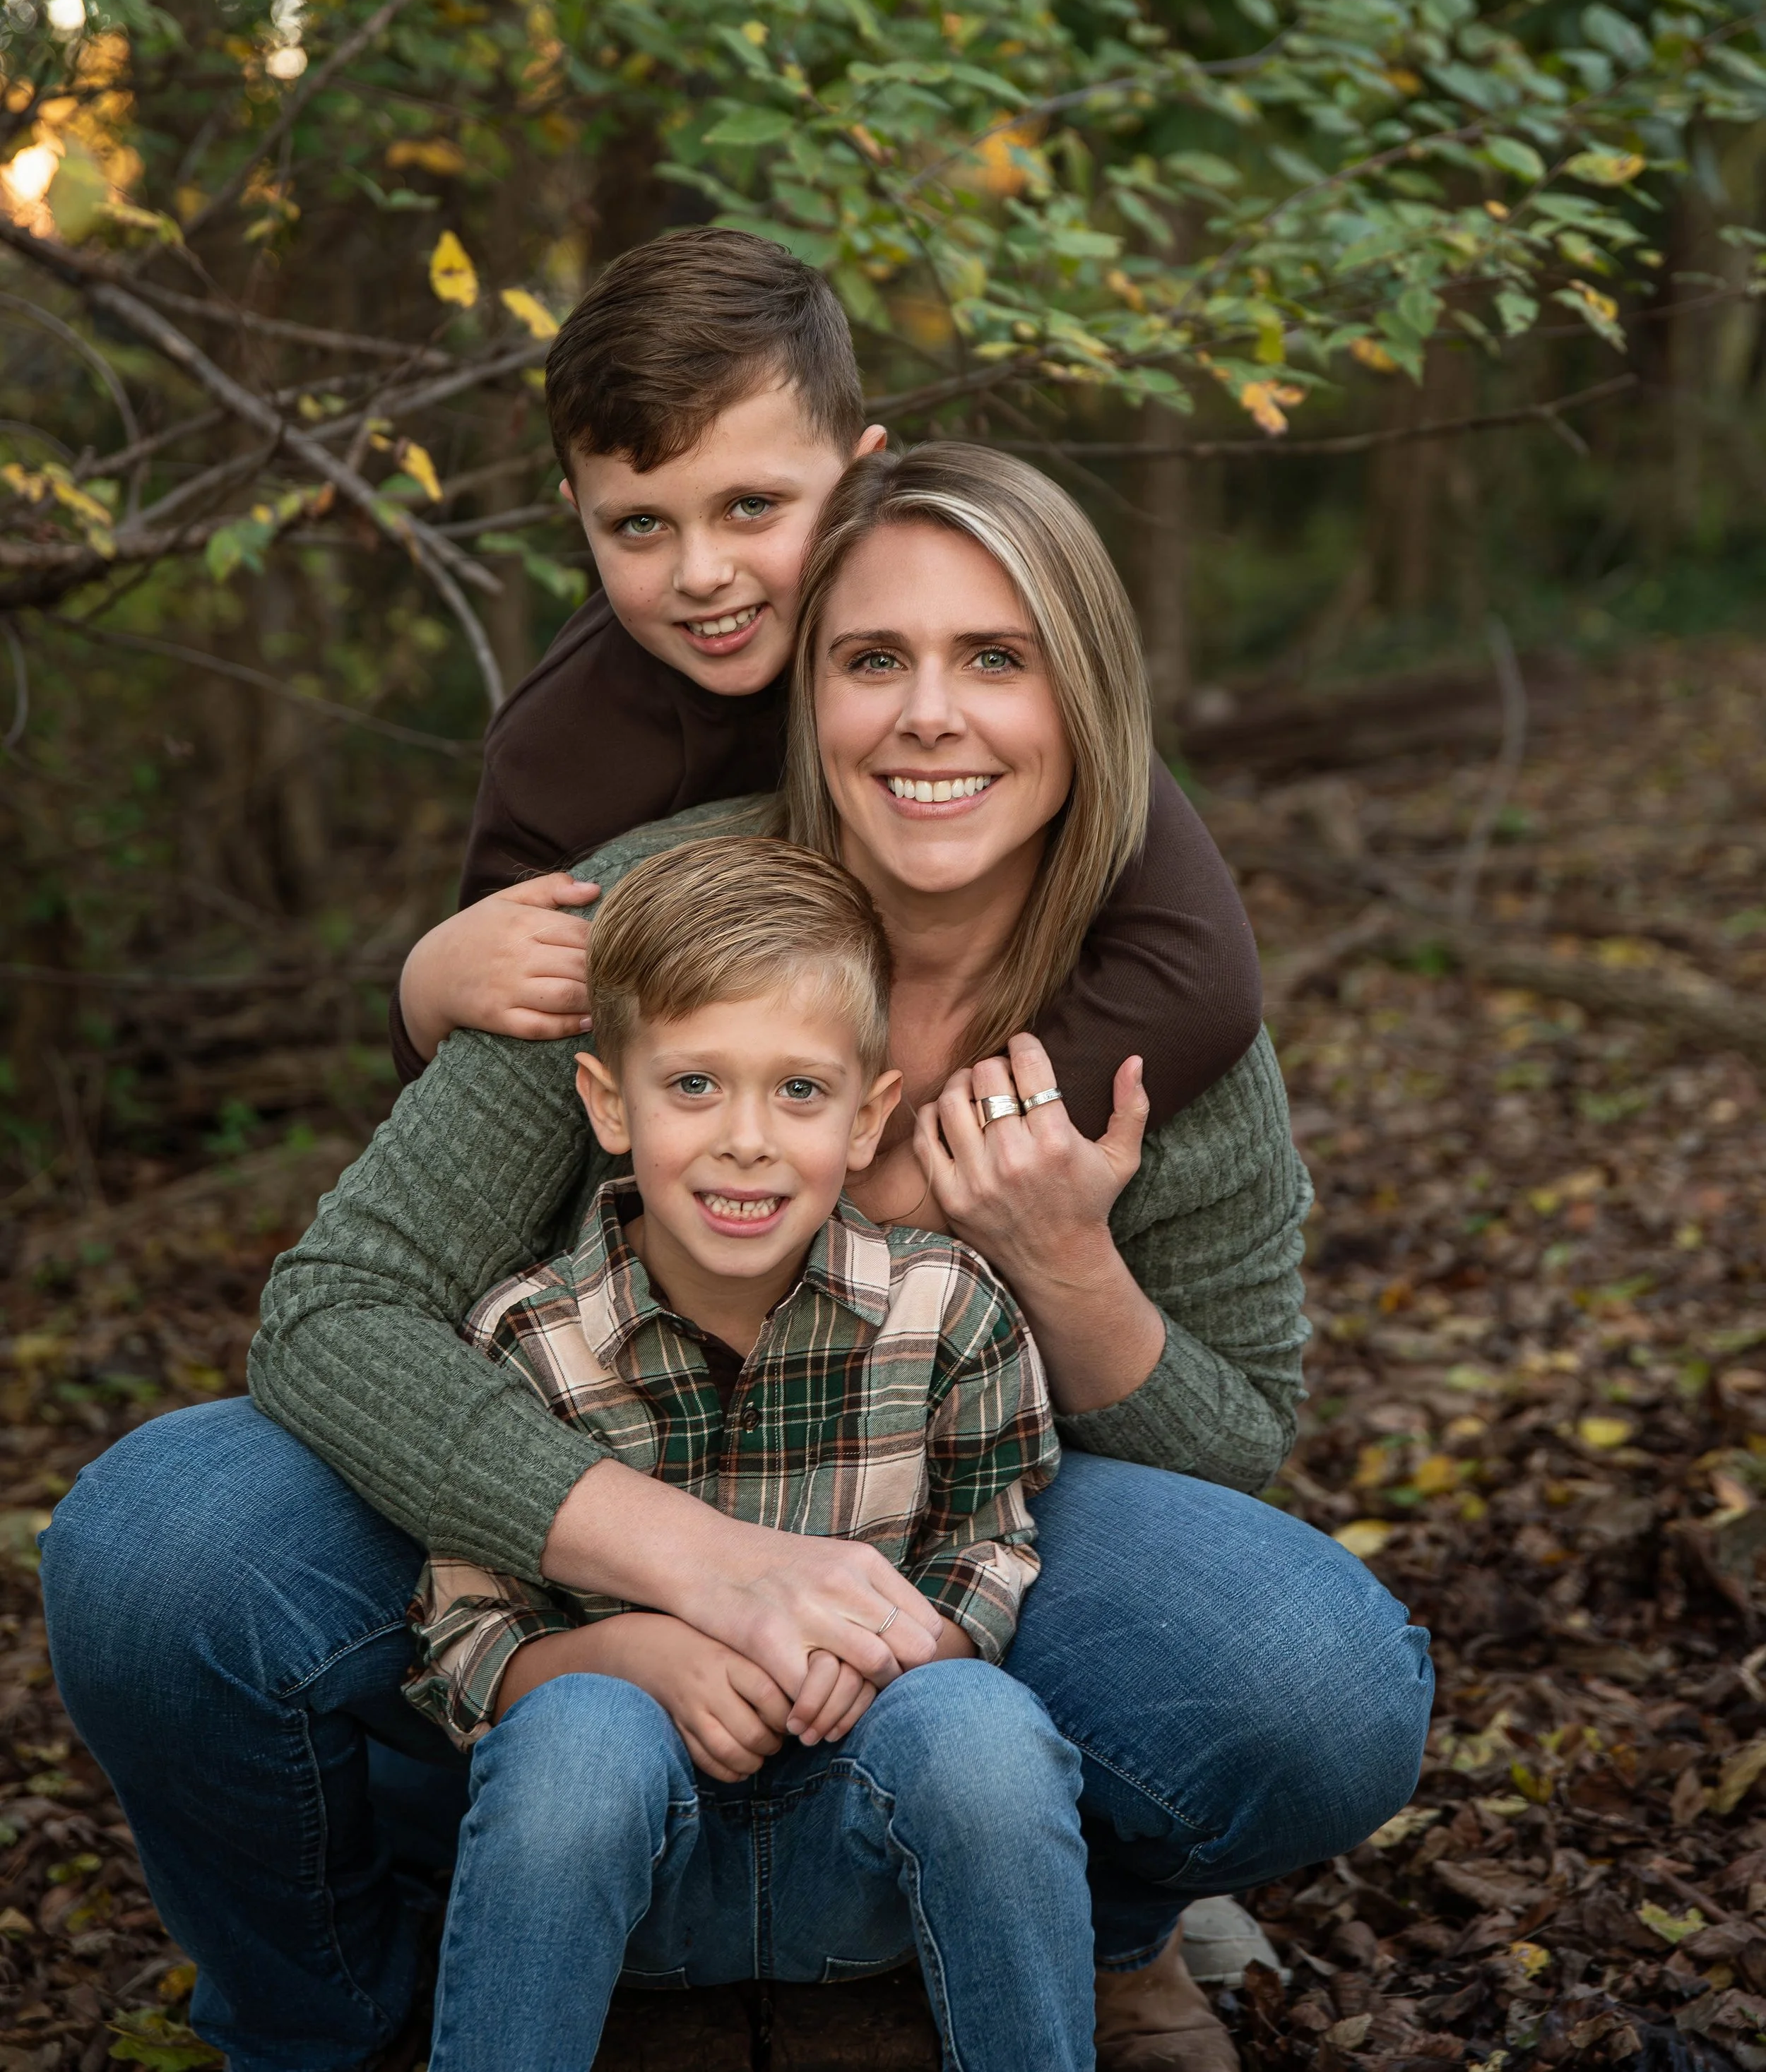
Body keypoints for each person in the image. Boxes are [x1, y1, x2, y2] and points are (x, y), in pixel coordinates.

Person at [42, 445, 1433, 2072]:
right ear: (807, 696)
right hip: (578, 1558)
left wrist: (1062, 1264)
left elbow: (1230, 1448)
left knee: (1313, 1679)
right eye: (870, 660)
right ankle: (340, 2006)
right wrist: (690, 1560)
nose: (929, 715)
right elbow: (332, 1310)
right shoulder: (654, 910)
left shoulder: (1162, 1025)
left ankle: (1090, 1930)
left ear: (1088, 701)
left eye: (996, 658)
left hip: (922, 1577)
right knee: (154, 1543)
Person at [408, 832, 1084, 2071]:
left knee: (979, 1726)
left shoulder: (950, 1312)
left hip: (858, 1853)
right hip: (627, 1877)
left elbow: (989, 1547)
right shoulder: (530, 1342)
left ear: (871, 1113)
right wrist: (631, 1656)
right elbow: (461, 1633)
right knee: (578, 1740)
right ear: (609, 1103)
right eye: (695, 1086)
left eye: (801, 1092)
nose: (748, 1141)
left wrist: (901, 1650)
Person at [385, 222, 1266, 1147]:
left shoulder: (966, 648)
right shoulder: (561, 746)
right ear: (581, 519)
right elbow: (492, 1061)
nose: (702, 574)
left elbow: (1202, 969)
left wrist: (953, 1161)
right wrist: (422, 997)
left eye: (752, 507)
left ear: (860, 472)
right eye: (640, 525)